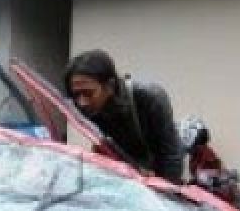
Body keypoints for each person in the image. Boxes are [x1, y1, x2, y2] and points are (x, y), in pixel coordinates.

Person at [63, 49, 183, 183]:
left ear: (110, 86)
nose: (82, 102)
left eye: (88, 93)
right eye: (76, 95)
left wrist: (165, 192)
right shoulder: (86, 106)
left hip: (159, 176)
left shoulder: (150, 97)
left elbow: (171, 156)